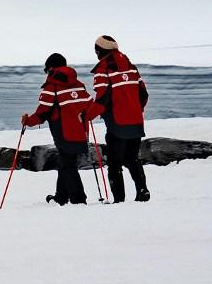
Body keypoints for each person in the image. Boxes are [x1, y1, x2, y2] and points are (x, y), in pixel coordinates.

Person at [23, 53, 103, 205]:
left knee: (67, 166)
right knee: (66, 163)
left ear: (51, 68)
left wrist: (28, 121)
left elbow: (42, 113)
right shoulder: (79, 84)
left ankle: (79, 200)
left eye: (47, 71)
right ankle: (60, 197)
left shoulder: (51, 86)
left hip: (64, 133)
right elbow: (89, 105)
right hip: (81, 132)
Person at [91, 35, 151, 202]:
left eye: (96, 50)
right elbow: (144, 94)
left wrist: (88, 115)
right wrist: (136, 111)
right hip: (136, 122)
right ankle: (142, 190)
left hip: (117, 124)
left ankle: (119, 200)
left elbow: (102, 100)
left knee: (115, 163)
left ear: (100, 51)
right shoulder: (132, 67)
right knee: (132, 158)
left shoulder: (103, 70)